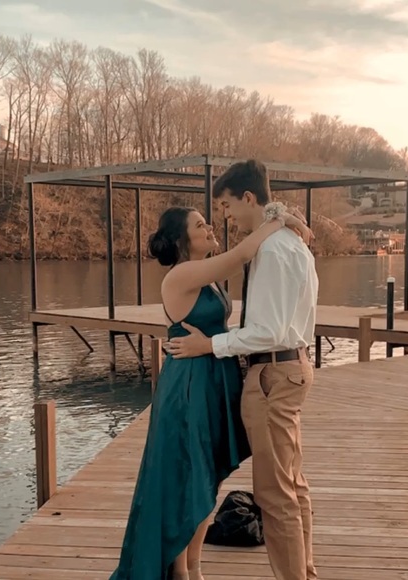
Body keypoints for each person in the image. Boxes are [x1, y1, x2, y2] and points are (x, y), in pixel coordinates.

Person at [109, 203, 312, 580]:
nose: (210, 228)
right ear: (181, 239)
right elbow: (242, 254)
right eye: (200, 225)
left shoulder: (208, 275)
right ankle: (180, 571)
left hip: (214, 377)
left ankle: (194, 566)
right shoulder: (182, 274)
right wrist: (280, 220)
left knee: (208, 477)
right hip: (190, 384)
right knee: (190, 476)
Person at [166, 159, 319, 580]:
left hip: (272, 375)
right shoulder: (294, 243)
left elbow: (267, 331)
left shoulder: (272, 249)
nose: (225, 216)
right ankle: (305, 571)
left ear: (248, 198)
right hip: (293, 366)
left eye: (227, 206)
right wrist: (283, 218)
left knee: (275, 496)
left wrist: (210, 345)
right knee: (293, 485)